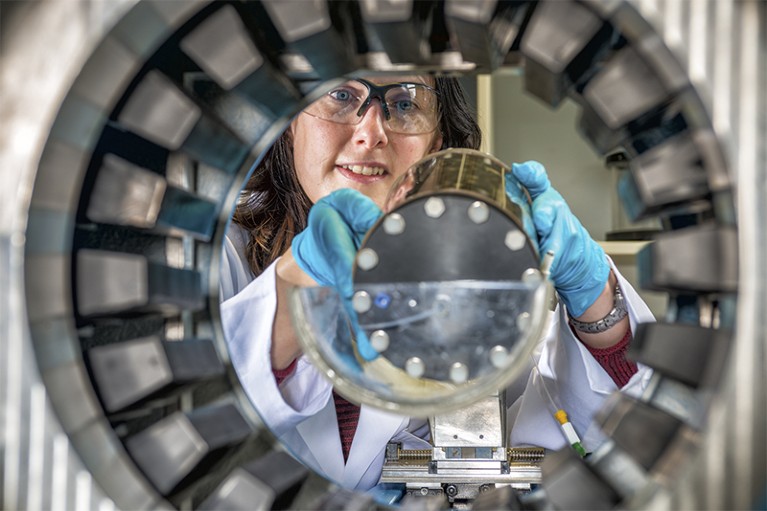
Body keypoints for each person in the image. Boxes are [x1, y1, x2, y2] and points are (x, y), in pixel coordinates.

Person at [220, 75, 655, 492]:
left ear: (437, 142)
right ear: (291, 122)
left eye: (404, 104)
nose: (370, 133)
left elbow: (591, 438)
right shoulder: (218, 256)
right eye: (340, 96)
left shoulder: (490, 287)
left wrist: (595, 300)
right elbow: (193, 424)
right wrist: (297, 284)